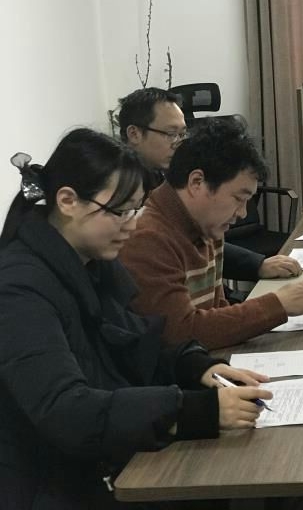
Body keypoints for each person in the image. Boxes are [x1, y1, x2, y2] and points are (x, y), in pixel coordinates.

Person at [0, 129, 271, 508]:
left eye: (136, 210)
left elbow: (135, 342)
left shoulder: (92, 261)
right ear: (68, 201)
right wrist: (192, 411)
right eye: (121, 212)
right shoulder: (19, 289)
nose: (131, 224)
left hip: (104, 457)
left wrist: (196, 366)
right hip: (53, 482)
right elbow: (67, 412)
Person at [119, 117, 303, 349]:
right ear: (197, 182)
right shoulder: (147, 239)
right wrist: (277, 305)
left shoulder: (205, 225)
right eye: (238, 198)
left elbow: (216, 311)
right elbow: (180, 332)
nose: (242, 213)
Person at [118, 87, 298, 284]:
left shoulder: (164, 173)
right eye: (171, 134)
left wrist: (257, 265)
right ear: (134, 134)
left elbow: (198, 241)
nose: (178, 143)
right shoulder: (118, 192)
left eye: (182, 134)